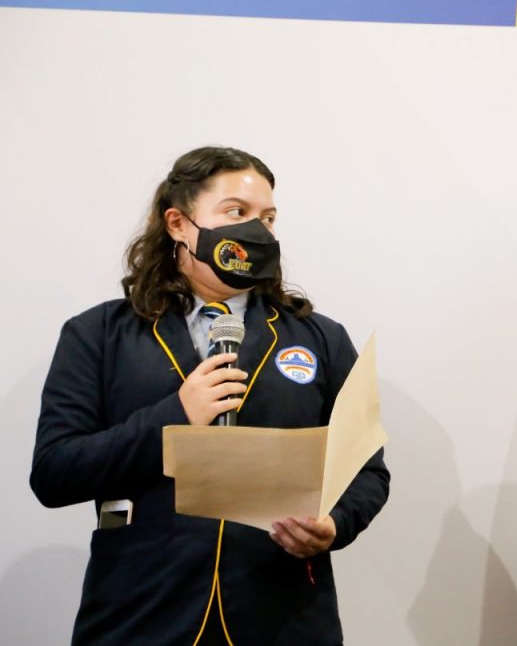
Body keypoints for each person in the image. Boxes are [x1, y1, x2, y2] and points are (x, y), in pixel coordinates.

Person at [30, 146, 389, 645]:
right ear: (178, 223)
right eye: (236, 213)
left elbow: (367, 471)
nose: (257, 231)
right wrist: (175, 417)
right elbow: (54, 472)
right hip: (141, 616)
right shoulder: (99, 334)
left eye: (267, 218)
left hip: (284, 618)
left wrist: (335, 524)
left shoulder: (320, 339)